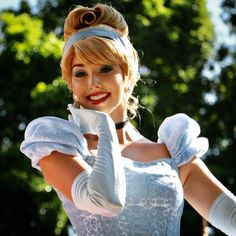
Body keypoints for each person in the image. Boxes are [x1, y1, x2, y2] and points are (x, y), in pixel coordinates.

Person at [20, 3, 236, 236]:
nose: (93, 82)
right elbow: (106, 201)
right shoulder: (60, 148)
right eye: (80, 73)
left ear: (127, 73)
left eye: (105, 69)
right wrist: (104, 127)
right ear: (70, 82)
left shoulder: (174, 151)